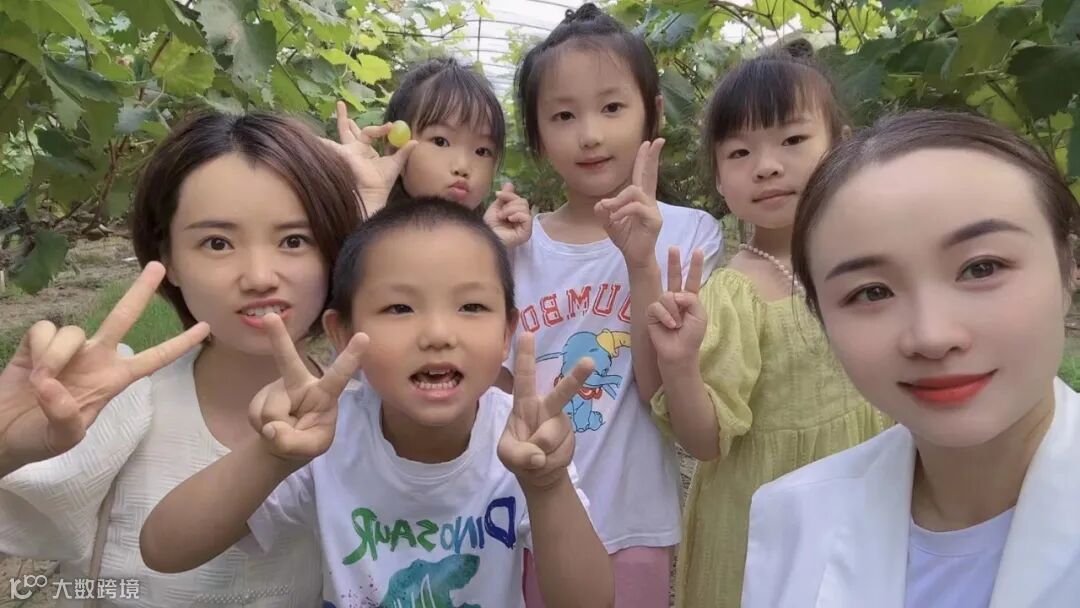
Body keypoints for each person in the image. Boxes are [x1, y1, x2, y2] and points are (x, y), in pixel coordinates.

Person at [141, 198, 615, 608]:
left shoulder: (523, 442)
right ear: (342, 333)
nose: (438, 334)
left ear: (507, 331)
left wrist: (548, 484)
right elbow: (164, 549)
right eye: (399, 308)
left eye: (471, 307)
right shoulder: (327, 440)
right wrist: (271, 456)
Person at [0, 111, 362, 606]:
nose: (260, 276)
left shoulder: (377, 419)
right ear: (168, 257)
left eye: (294, 241)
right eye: (217, 243)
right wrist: (6, 444)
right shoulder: (113, 403)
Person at [741, 110, 1080, 607]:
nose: (932, 336)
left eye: (982, 268)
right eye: (872, 292)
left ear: (1069, 267)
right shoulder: (792, 519)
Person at [646, 45, 891, 607]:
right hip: (763, 525)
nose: (767, 166)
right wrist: (679, 364)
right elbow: (704, 442)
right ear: (719, 179)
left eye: (793, 139)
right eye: (739, 152)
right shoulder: (735, 293)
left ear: (842, 145)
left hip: (872, 494)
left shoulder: (877, 264)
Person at [508, 4, 724, 604]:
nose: (590, 135)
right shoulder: (517, 250)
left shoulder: (689, 234)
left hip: (633, 519)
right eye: (563, 115)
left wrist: (640, 262)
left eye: (611, 107)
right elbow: (494, 391)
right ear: (536, 134)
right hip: (523, 519)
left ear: (652, 112)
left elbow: (657, 389)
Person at [323, 57, 532, 247]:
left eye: (482, 151)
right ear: (396, 148)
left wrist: (492, 242)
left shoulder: (483, 238)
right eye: (441, 141)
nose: (462, 167)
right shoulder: (366, 224)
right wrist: (371, 197)